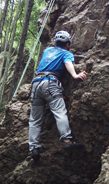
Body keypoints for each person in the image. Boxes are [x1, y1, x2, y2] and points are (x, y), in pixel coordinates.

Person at [29, 30, 87, 161]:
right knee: (60, 112)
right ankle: (67, 140)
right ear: (67, 44)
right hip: (50, 83)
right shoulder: (66, 53)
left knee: (35, 119)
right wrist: (75, 75)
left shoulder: (47, 51)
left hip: (36, 84)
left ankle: (34, 148)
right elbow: (67, 63)